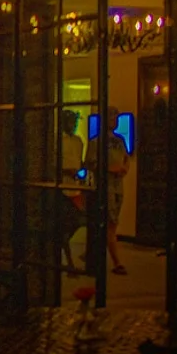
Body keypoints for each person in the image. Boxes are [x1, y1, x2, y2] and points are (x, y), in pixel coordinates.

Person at [84, 108, 131, 275]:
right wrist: (110, 169)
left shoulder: (119, 140)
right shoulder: (96, 142)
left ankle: (96, 255)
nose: (114, 121)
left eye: (116, 118)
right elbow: (90, 163)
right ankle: (116, 261)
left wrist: (124, 168)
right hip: (106, 186)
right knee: (109, 222)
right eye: (111, 117)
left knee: (114, 221)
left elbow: (126, 158)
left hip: (118, 186)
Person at [58, 110, 87, 270]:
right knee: (65, 225)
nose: (73, 125)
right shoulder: (58, 140)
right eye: (71, 122)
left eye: (75, 122)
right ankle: (69, 262)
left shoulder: (78, 141)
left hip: (76, 188)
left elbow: (79, 161)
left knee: (79, 221)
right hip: (62, 188)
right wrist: (66, 171)